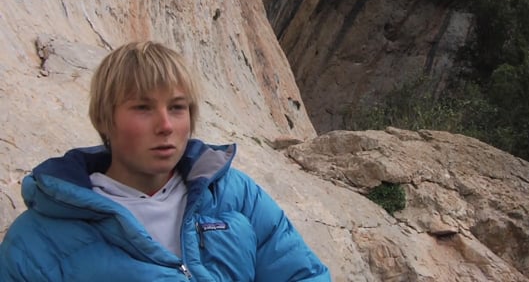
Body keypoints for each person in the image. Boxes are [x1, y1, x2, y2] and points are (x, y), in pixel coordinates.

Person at [0, 41, 331, 281]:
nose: (166, 126)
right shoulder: (38, 240)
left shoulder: (234, 194)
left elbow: (302, 275)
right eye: (143, 108)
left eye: (177, 107)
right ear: (104, 119)